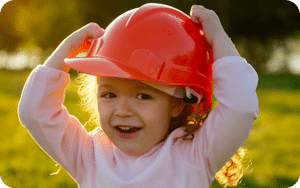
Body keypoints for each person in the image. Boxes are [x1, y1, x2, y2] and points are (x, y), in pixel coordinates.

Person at [18, 3, 258, 188]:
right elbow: (35, 111)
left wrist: (217, 38)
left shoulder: (194, 155)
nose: (122, 110)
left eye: (142, 96)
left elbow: (240, 108)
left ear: (176, 105)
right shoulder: (89, 155)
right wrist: (66, 49)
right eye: (109, 94)